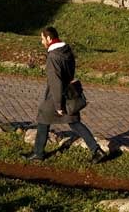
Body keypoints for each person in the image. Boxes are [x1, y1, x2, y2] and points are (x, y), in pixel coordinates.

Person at [26, 26, 107, 163]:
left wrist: (58, 105)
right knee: (74, 122)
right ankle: (96, 150)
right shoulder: (66, 50)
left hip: (55, 96)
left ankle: (38, 153)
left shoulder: (53, 57)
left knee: (43, 118)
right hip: (69, 93)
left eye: (42, 39)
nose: (41, 42)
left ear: (49, 38)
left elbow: (55, 81)